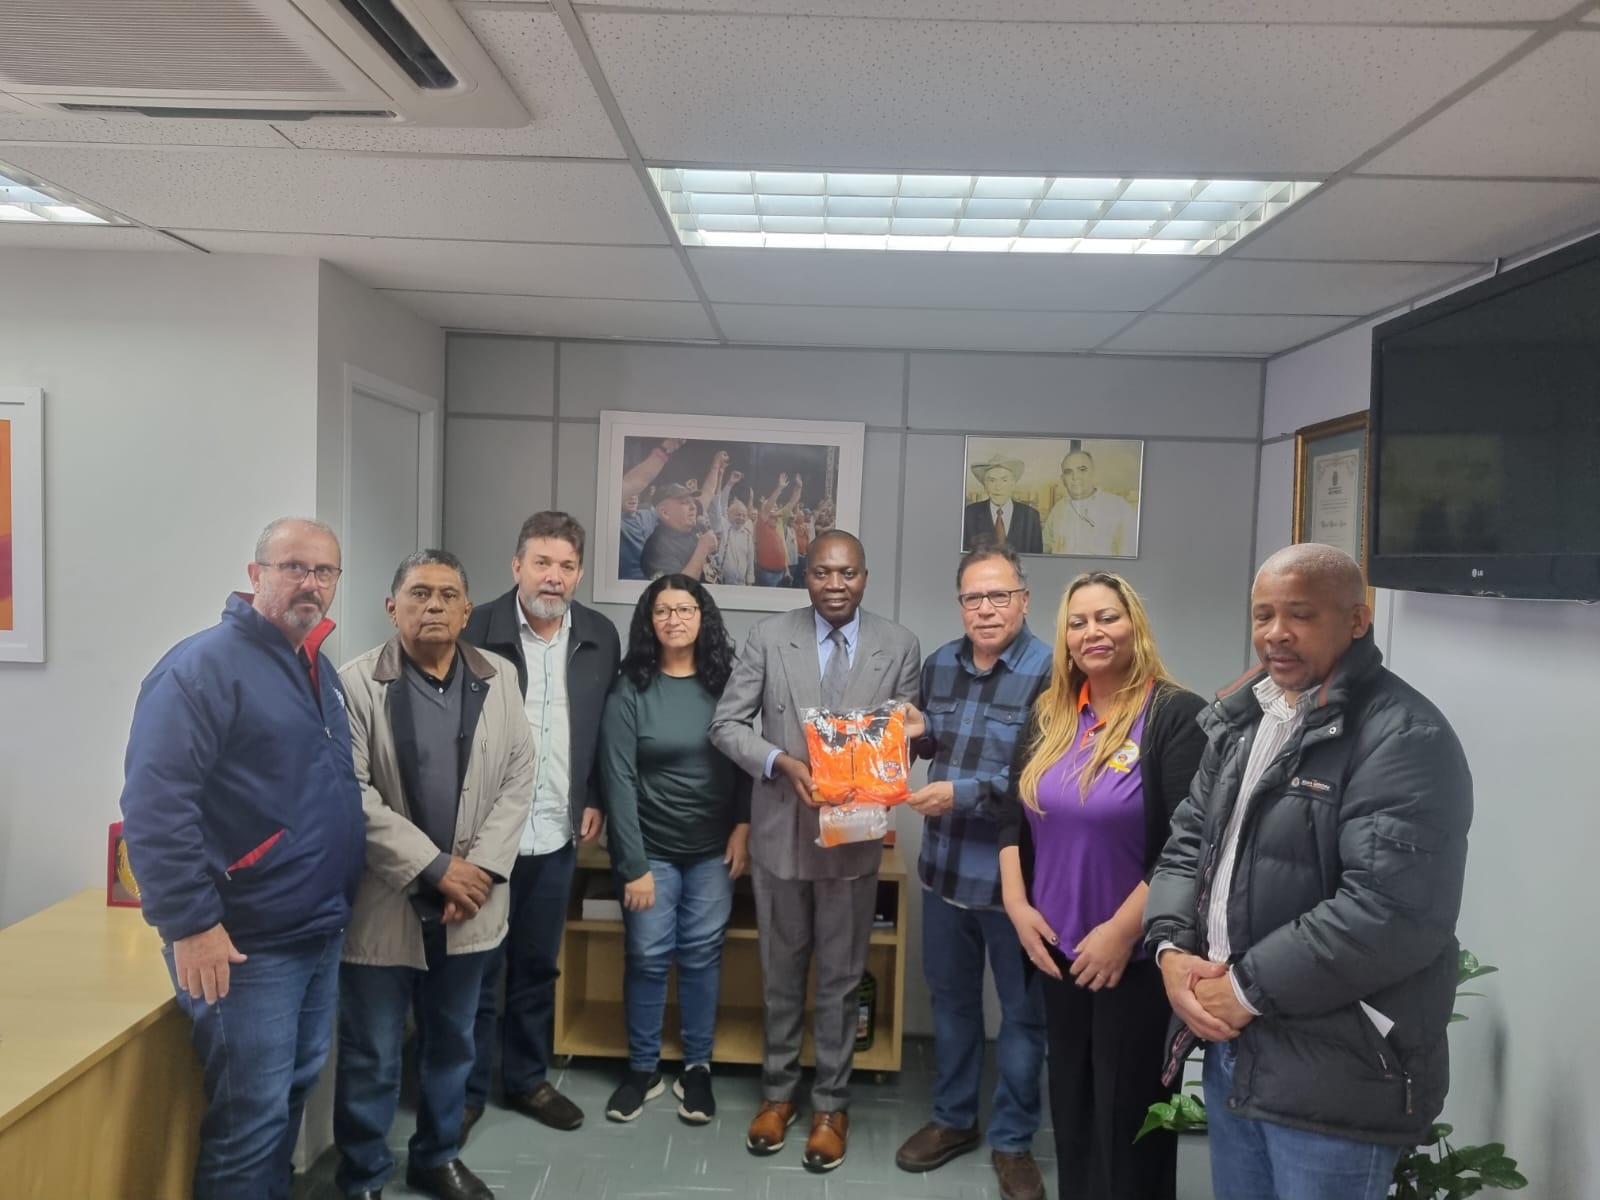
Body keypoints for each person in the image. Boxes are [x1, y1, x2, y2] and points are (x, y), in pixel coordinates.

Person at [1144, 544, 1473, 1200]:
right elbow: (1187, 846)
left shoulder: (1404, 736)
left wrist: (1242, 990)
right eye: (1263, 615)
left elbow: (1388, 912)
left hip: (1336, 1066)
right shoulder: (1247, 717)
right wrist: (1171, 951)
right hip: (1237, 1047)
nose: (1276, 633)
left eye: (1300, 614)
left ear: (1357, 619)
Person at [118, 517, 365, 1200]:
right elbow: (155, 808)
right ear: (256, 576)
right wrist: (192, 924)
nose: (310, 583)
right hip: (244, 944)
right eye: (293, 567)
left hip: (316, 928)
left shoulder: (314, 667)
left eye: (324, 571)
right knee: (249, 1122)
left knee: (287, 1097)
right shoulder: (201, 668)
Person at [709, 531, 922, 1174]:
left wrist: (893, 751)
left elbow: (907, 737)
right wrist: (779, 760)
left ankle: (831, 1104)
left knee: (840, 978)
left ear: (865, 577)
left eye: (847, 573)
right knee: (780, 974)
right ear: (806, 576)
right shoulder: (769, 637)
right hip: (780, 835)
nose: (835, 584)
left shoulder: (899, 644)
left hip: (854, 842)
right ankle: (778, 1094)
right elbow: (726, 725)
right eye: (823, 572)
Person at [998, 571, 1207, 1200]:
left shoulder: (1174, 715)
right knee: (1075, 1116)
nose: (1093, 631)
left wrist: (1120, 933)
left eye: (1107, 617)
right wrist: (1016, 905)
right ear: (1064, 637)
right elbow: (1013, 817)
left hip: (1135, 962)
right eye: (1078, 621)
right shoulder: (1051, 713)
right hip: (1058, 953)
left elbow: (1188, 844)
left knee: (1129, 1130)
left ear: (1134, 625)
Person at [333, 551, 534, 1200]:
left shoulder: (499, 676)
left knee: (452, 1041)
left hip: (470, 903)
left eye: (449, 595)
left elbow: (518, 776)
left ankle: (437, 1156)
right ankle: (363, 1174)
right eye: (419, 594)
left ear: (467, 610)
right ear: (391, 607)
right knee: (372, 1051)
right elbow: (351, 793)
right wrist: (434, 868)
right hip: (386, 900)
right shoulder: (355, 683)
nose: (434, 606)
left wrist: (478, 873)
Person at [895, 542, 1052, 1200]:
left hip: (1017, 886)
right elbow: (940, 742)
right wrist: (918, 733)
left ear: (1024, 599)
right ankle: (953, 1119)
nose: (985, 609)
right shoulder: (939, 664)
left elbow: (1044, 778)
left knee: (1023, 1017)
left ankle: (1013, 1142)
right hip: (944, 871)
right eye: (973, 597)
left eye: (999, 595)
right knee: (953, 1004)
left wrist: (959, 794)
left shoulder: (1054, 671)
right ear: (960, 604)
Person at [461, 512, 621, 1137]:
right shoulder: (476, 628)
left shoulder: (600, 635)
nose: (553, 577)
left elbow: (605, 728)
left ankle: (526, 1079)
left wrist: (594, 795)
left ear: (578, 573)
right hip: (483, 835)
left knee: (535, 965)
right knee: (476, 968)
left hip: (556, 828)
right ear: (517, 566)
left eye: (566, 566)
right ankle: (467, 1089)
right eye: (541, 563)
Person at [598, 574, 752, 1125]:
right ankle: (642, 1069)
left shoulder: (727, 684)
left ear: (702, 617)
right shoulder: (630, 689)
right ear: (649, 621)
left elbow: (745, 761)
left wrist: (743, 827)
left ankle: (697, 1069)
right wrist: (633, 865)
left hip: (714, 850)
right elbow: (617, 779)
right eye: (662, 611)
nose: (674, 620)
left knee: (702, 955)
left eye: (685, 609)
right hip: (651, 852)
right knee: (646, 955)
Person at [1042, 450, 1138, 557]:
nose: (1075, 477)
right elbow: (1045, 549)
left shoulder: (1119, 507)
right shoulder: (1058, 509)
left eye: (1082, 470)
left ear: (1093, 473)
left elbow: (1130, 556)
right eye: (1068, 472)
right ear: (1063, 479)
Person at [619, 438, 684, 580]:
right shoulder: (613, 521)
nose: (632, 497)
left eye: (637, 494)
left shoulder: (649, 515)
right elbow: (635, 481)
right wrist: (666, 448)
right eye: (630, 493)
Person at [963, 456, 1043, 554]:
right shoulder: (969, 514)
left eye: (1004, 480)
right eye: (992, 480)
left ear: (1013, 484)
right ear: (984, 485)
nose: (998, 487)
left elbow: (1037, 558)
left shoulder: (1030, 516)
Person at [641, 483, 719, 581]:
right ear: (665, 513)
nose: (693, 507)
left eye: (693, 502)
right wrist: (703, 549)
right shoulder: (655, 549)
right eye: (684, 502)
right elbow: (678, 588)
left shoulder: (697, 528)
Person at [754, 473, 801, 587]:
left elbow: (792, 502)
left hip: (782, 571)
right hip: (768, 573)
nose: (774, 509)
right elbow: (767, 507)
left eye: (776, 507)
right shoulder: (761, 525)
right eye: (772, 507)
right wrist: (779, 488)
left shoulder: (779, 521)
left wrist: (799, 487)